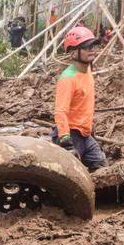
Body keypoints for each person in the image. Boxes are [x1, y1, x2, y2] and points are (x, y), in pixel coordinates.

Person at [53, 26, 105, 171]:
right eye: (87, 47)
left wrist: (89, 127)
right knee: (71, 175)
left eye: (93, 46)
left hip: (85, 134)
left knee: (101, 165)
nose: (92, 50)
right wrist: (64, 138)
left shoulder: (87, 71)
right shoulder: (68, 78)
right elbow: (60, 111)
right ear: (74, 52)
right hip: (71, 135)